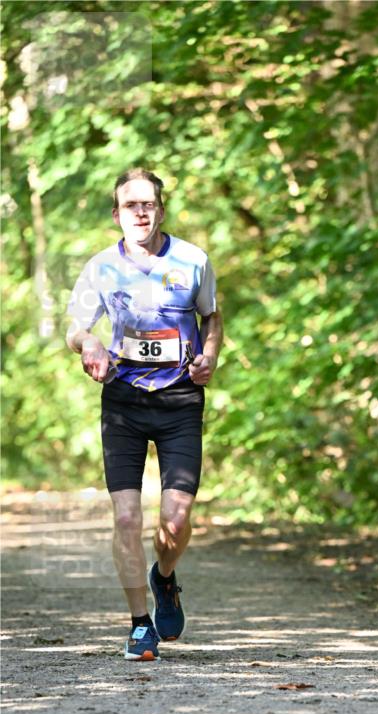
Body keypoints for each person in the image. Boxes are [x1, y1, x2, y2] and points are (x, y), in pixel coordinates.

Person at [65, 168, 222, 661]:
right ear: (117, 214)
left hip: (179, 399)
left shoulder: (193, 260)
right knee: (127, 516)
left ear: (160, 209)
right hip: (124, 401)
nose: (139, 212)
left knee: (175, 522)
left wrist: (211, 353)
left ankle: (166, 578)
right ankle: (139, 626)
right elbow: (75, 327)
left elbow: (211, 316)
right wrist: (89, 341)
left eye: (147, 204)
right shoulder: (100, 267)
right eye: (129, 205)